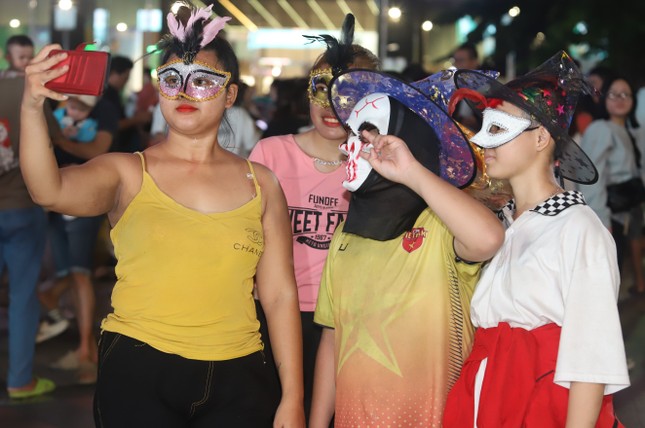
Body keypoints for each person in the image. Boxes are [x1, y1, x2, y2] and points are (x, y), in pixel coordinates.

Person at [20, 3, 304, 427]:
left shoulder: (261, 183)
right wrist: (31, 106)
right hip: (139, 365)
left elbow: (279, 295)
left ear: (231, 94)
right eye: (172, 80)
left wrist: (293, 398)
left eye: (203, 80)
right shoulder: (127, 171)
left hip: (239, 372)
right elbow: (49, 190)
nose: (185, 92)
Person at [309, 69, 505, 427]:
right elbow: (331, 337)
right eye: (352, 134)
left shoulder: (438, 226)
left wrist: (410, 171)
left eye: (368, 134)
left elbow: (488, 238)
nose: (348, 145)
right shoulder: (345, 236)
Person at [443, 51, 629, 427]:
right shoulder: (499, 225)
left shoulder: (580, 229)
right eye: (483, 126)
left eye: (499, 129)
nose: (483, 141)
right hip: (483, 402)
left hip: (541, 407)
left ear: (541, 136)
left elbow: (590, 363)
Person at [249, 14, 379, 420]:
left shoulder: (379, 166)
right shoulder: (271, 154)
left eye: (349, 95)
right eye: (321, 89)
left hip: (343, 320)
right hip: (269, 312)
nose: (331, 107)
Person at [0, 74, 56, 399]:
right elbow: (52, 142)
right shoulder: (30, 95)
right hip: (22, 205)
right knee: (22, 297)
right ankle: (20, 380)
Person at [577, 75, 645, 296]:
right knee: (604, 287)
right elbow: (592, 178)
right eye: (613, 93)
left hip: (625, 213)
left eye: (626, 94)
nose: (620, 99)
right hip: (608, 217)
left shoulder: (629, 130)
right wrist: (601, 222)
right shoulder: (600, 129)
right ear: (604, 98)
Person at [452, 42, 482, 131]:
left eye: (461, 60)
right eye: (455, 60)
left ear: (474, 62)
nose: (457, 65)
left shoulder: (488, 88)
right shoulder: (454, 86)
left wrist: (477, 122)